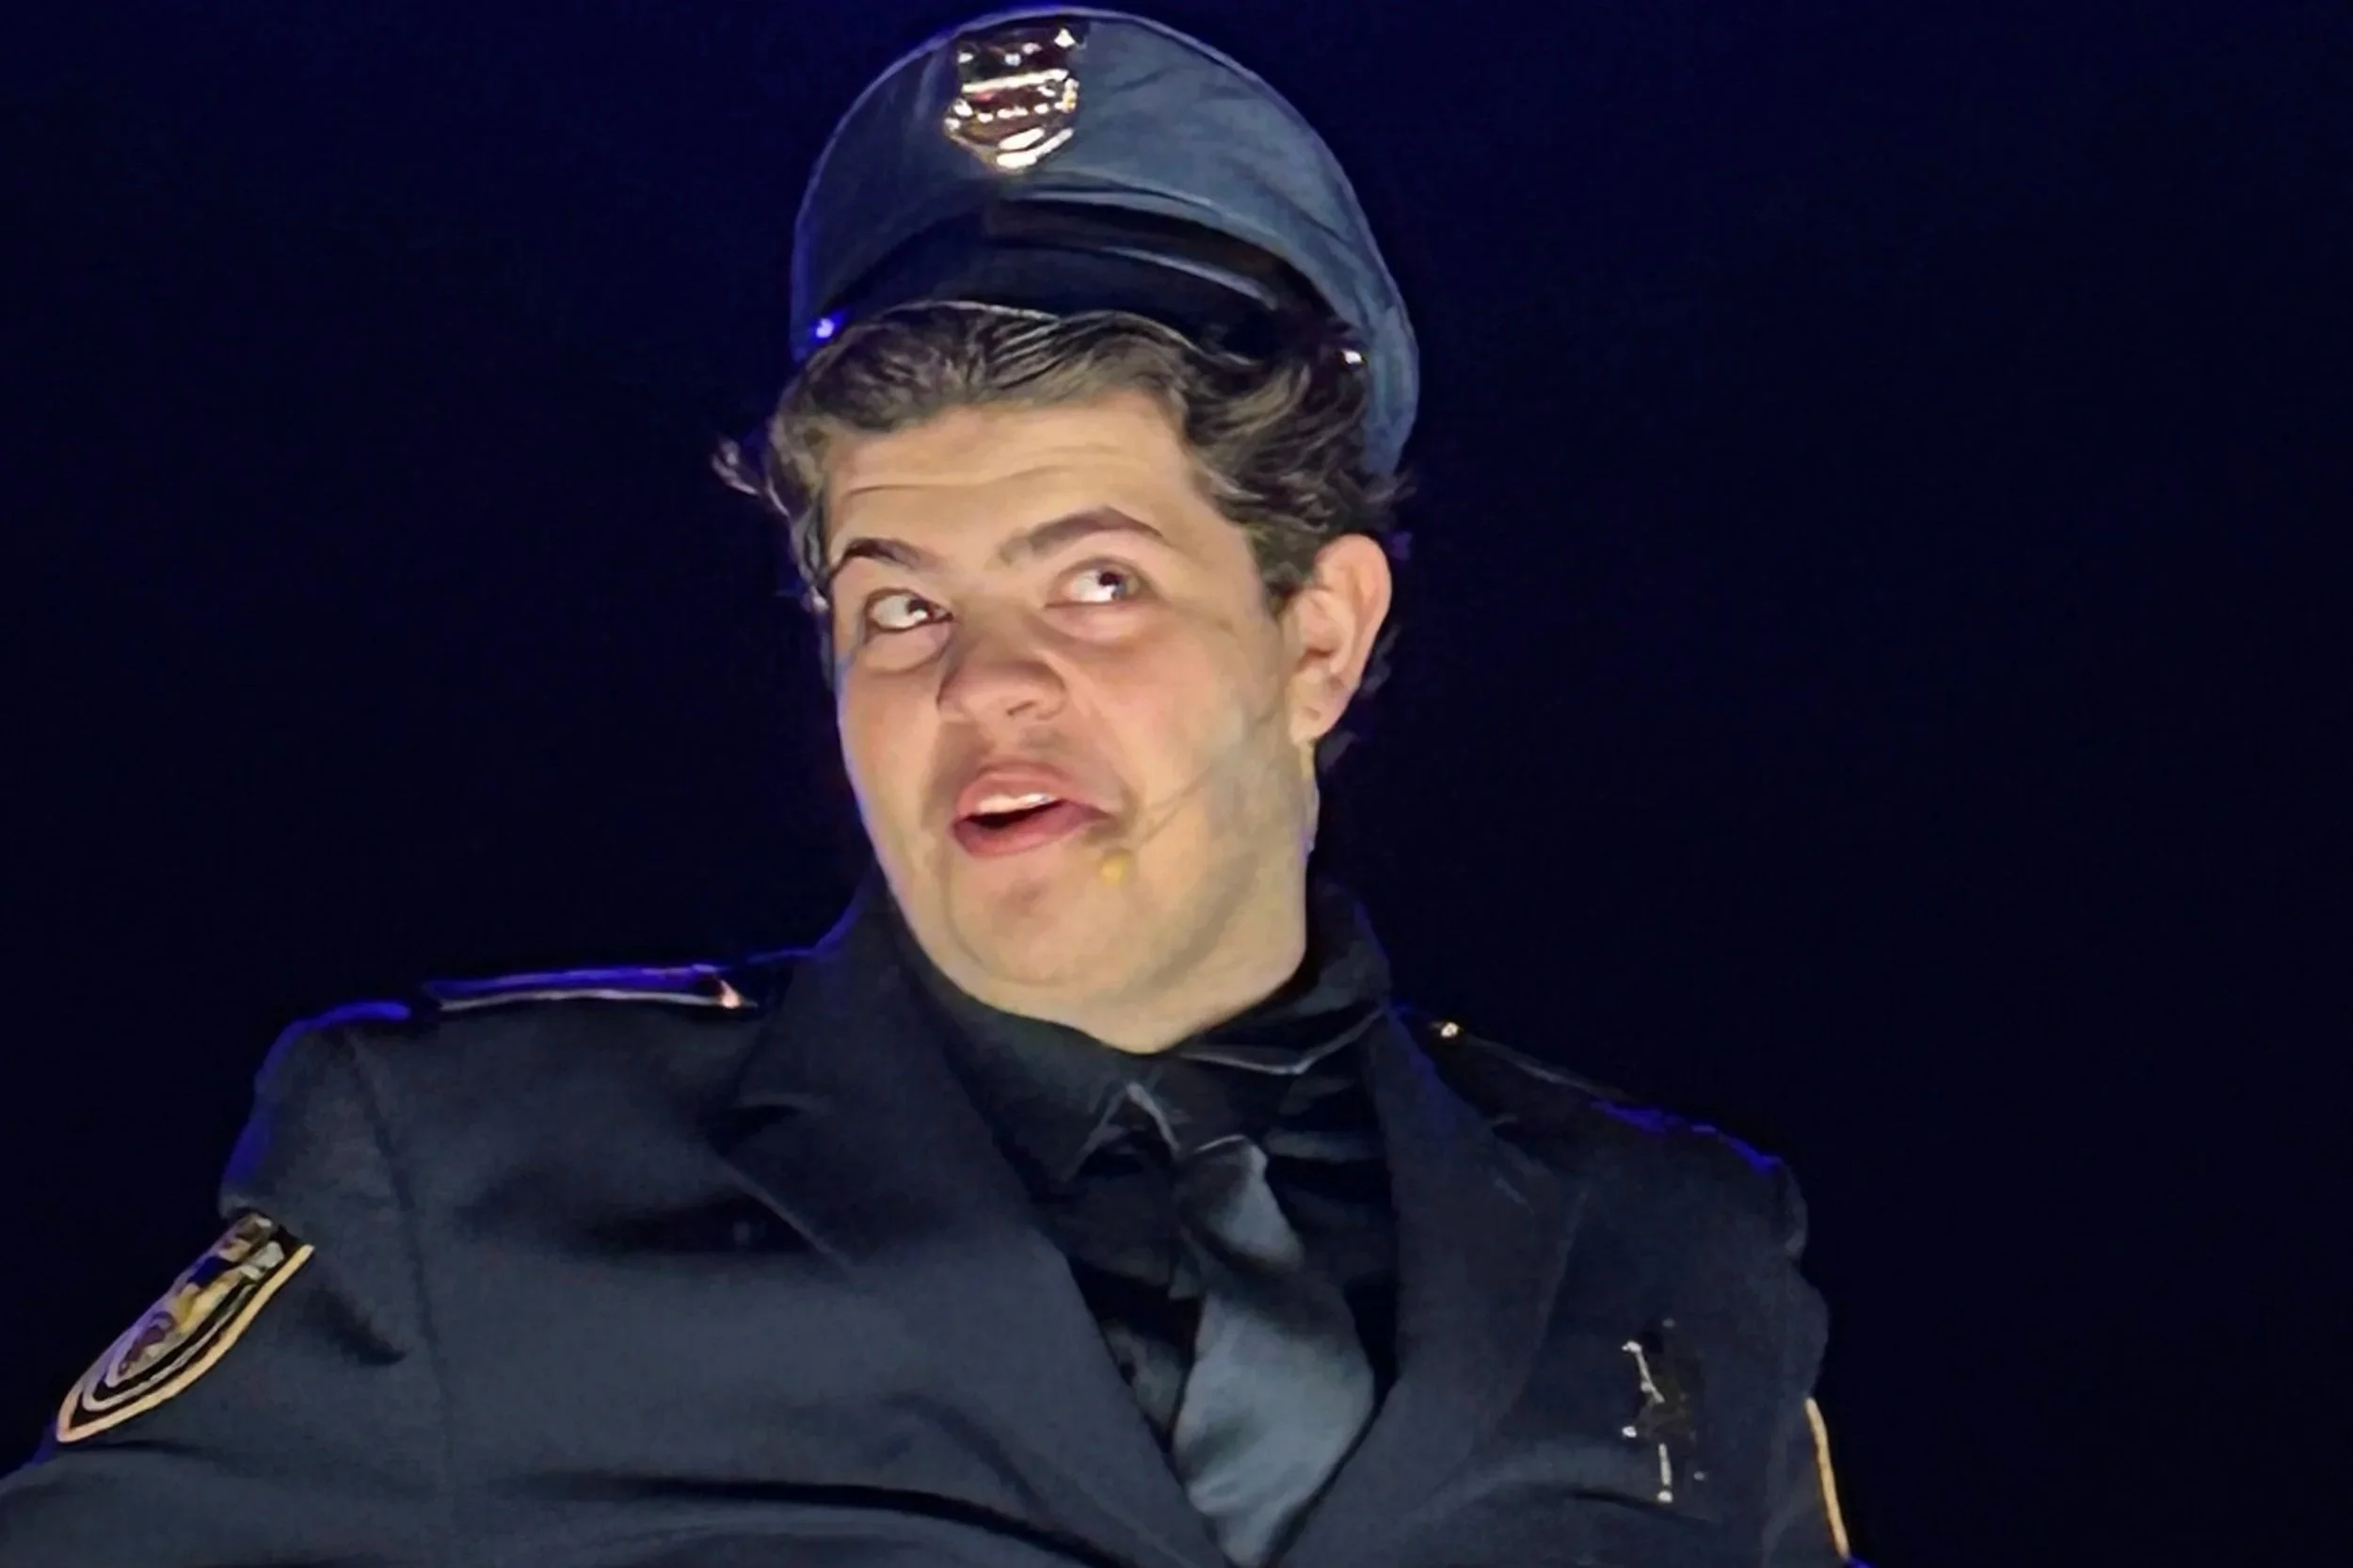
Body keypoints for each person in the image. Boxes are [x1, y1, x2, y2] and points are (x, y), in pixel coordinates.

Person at [0, 8, 1861, 1565]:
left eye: (1094, 580)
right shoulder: (469, 1182)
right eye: (898, 602)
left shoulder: (1668, 1252)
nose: (979, 683)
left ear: (1319, 635)